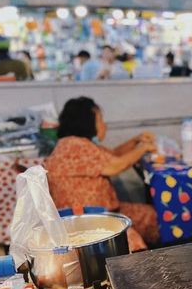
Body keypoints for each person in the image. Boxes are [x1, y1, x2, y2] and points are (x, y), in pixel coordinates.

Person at [45, 97, 159, 251]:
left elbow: (114, 155)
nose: (104, 125)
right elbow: (116, 166)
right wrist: (143, 148)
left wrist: (136, 141)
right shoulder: (75, 147)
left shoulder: (75, 144)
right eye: (100, 119)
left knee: (151, 215)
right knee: (138, 238)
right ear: (87, 121)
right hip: (89, 220)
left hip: (106, 212)